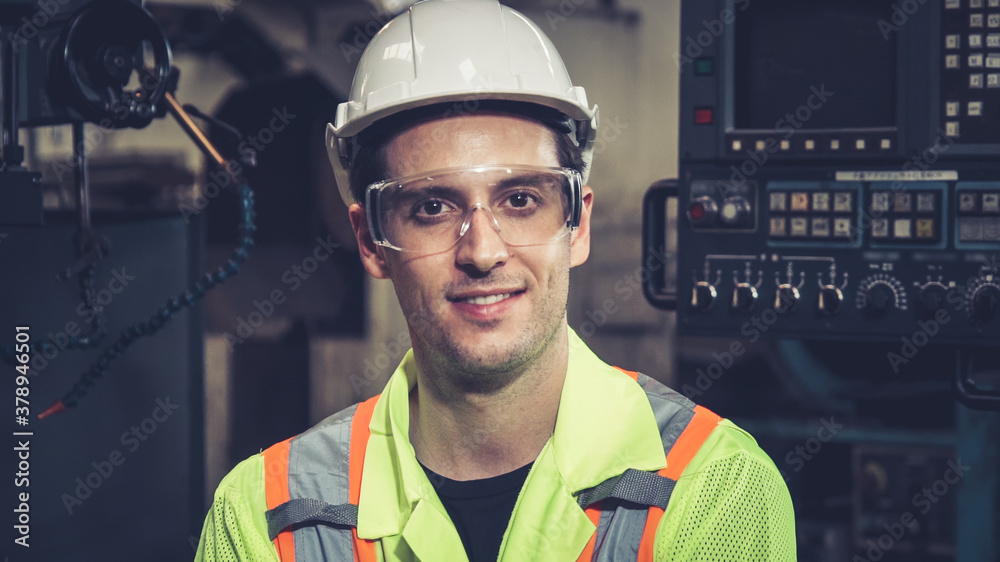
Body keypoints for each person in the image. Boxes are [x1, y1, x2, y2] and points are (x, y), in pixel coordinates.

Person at [194, 1, 796, 560]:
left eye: (520, 199)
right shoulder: (267, 518)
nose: (482, 251)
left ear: (578, 223)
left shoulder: (713, 490)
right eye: (432, 207)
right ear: (370, 242)